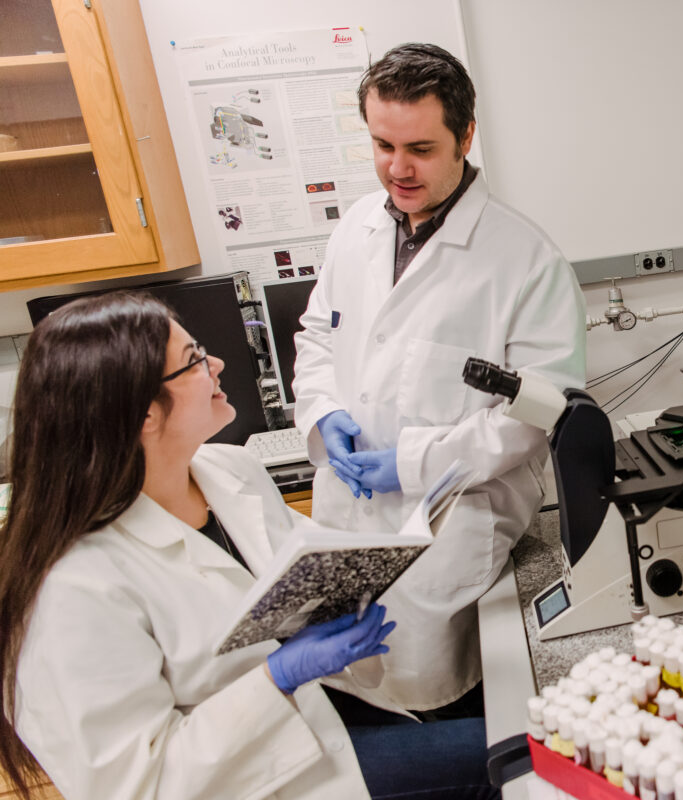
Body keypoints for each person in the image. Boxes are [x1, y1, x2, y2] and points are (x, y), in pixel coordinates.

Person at [0, 293, 498, 800]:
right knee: (521, 760)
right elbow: (137, 787)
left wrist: (347, 598)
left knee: (516, 726)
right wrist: (277, 677)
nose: (216, 364)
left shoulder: (228, 470)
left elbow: (302, 574)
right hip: (260, 782)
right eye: (194, 361)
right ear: (144, 414)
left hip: (328, 718)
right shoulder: (73, 588)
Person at [292, 43, 586, 714]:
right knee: (352, 697)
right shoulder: (354, 233)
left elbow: (541, 411)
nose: (398, 168)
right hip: (349, 517)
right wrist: (320, 415)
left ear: (466, 137)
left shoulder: (526, 260)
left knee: (439, 705)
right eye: (382, 144)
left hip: (452, 525)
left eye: (420, 148)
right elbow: (317, 337)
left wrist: (413, 462)